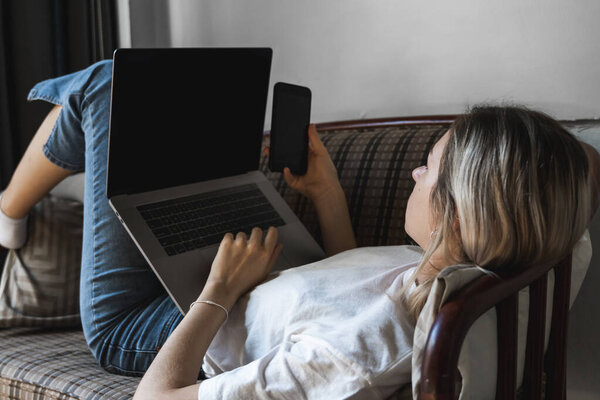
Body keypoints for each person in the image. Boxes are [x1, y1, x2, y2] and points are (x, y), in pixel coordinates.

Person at [0, 60, 598, 399]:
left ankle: (9, 207)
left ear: (463, 211)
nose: (415, 170)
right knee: (146, 100)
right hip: (250, 273)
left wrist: (217, 292)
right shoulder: (457, 266)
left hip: (158, 328)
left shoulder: (353, 359)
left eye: (429, 167)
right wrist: (326, 195)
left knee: (107, 86)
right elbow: (358, 294)